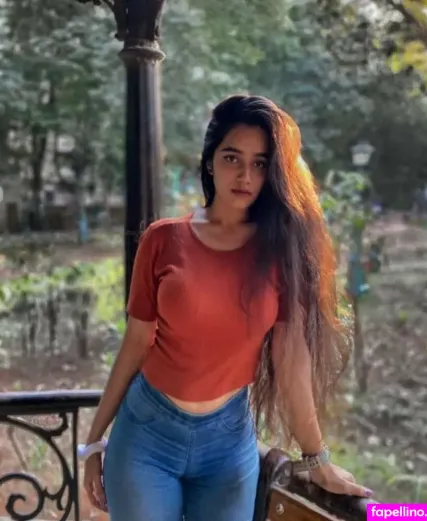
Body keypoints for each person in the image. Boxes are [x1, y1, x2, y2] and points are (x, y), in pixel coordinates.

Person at [82, 94, 373, 521]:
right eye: (232, 158)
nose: (245, 175)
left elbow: (291, 358)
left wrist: (318, 460)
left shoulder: (280, 252)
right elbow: (136, 342)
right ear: (209, 162)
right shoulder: (162, 240)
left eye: (260, 164)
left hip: (227, 445)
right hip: (146, 434)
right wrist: (93, 442)